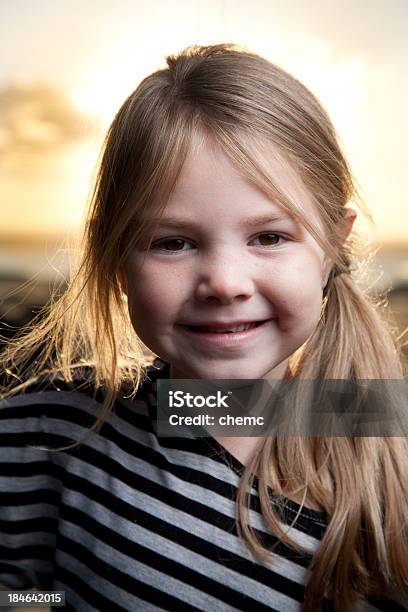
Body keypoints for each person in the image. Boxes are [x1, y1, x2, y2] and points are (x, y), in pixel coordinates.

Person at [0, 43, 407, 612]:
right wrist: (50, 600)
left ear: (333, 244)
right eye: (174, 242)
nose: (224, 282)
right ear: (115, 256)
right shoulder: (53, 427)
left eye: (270, 237)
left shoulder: (390, 441)